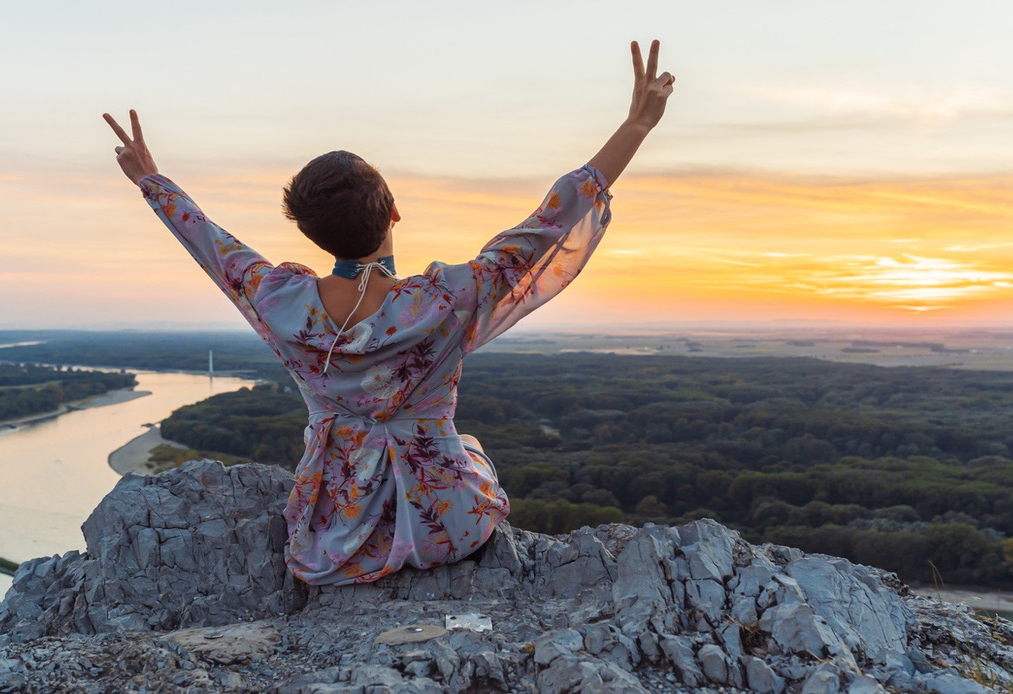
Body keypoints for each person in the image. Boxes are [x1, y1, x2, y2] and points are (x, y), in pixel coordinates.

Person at [103, 40, 674, 586]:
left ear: (310, 232)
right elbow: (551, 218)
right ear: (394, 213)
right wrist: (637, 126)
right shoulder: (446, 299)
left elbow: (209, 242)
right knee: (469, 450)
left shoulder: (281, 302)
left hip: (334, 532)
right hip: (447, 524)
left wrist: (152, 181)